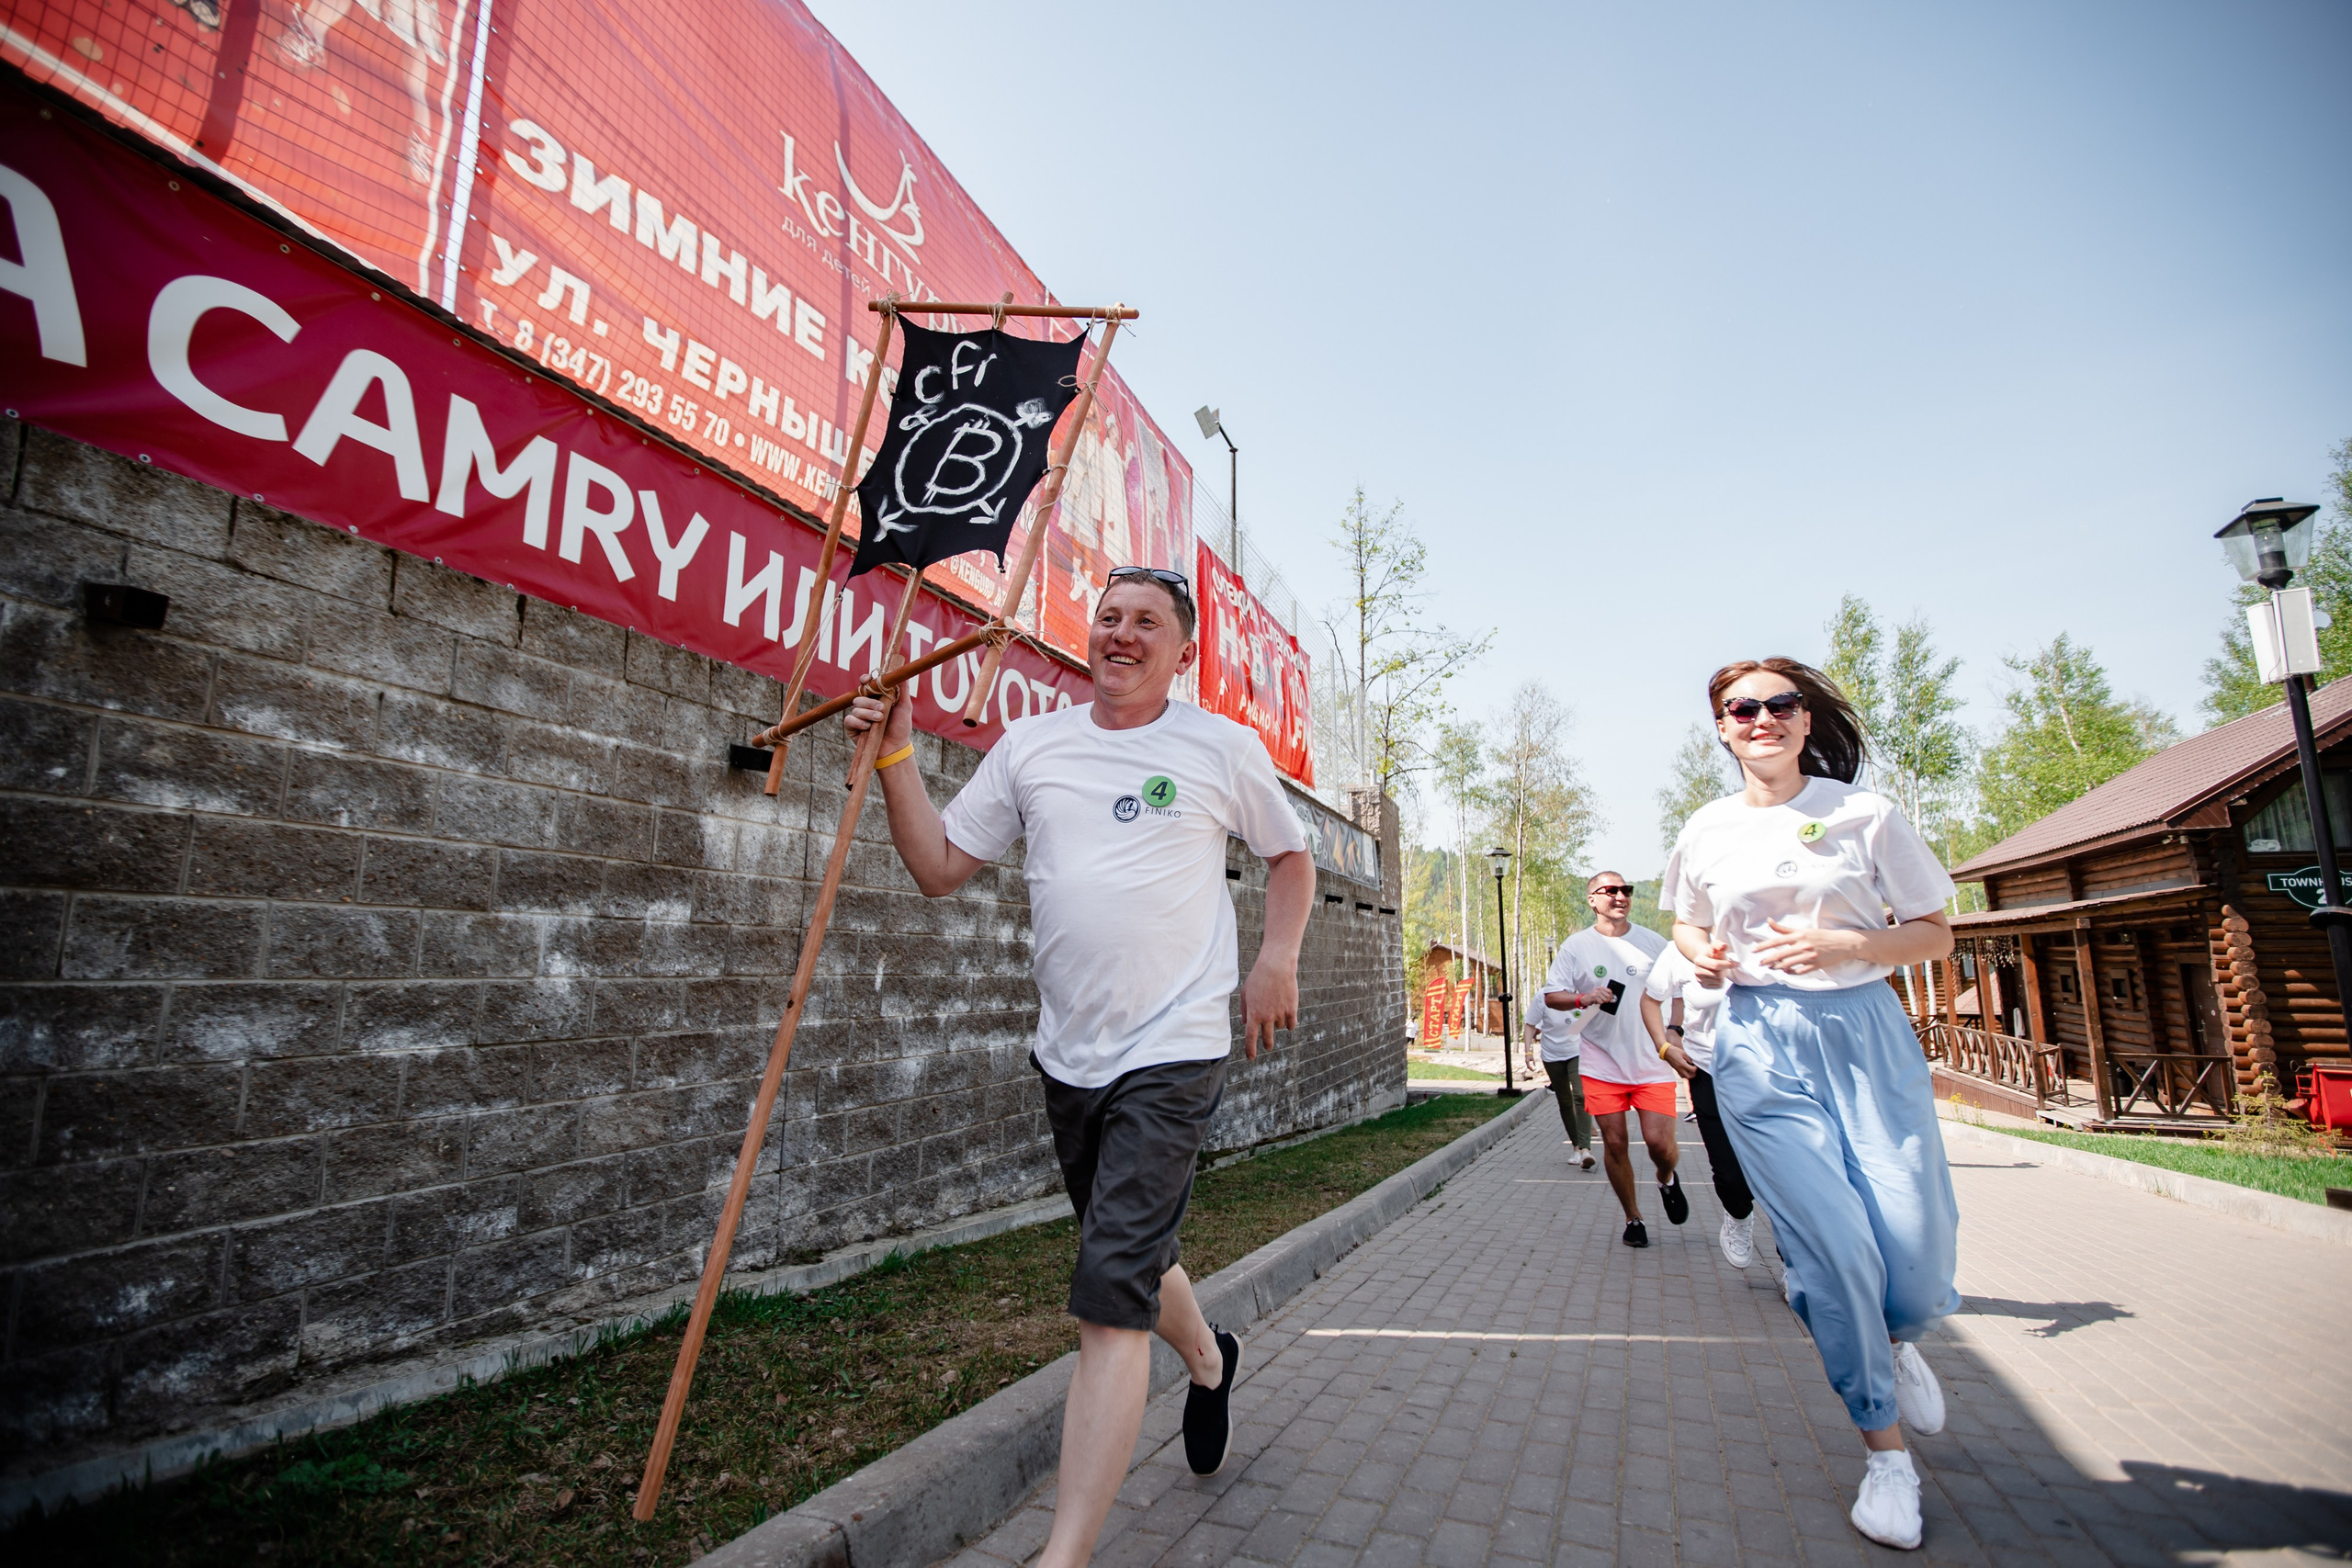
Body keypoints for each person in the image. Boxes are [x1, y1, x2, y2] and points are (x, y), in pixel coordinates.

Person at [843, 564, 1314, 1568]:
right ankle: (1208, 1358)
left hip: (1175, 1048)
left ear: (1185, 653)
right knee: (1130, 1254)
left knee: (1107, 1302)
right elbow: (936, 869)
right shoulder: (1033, 747)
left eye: (1148, 622)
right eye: (1108, 617)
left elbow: (1290, 855)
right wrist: (894, 757)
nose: (1122, 633)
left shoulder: (1218, 747)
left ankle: (1062, 1556)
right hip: (1070, 1054)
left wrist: (1275, 957)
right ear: (1085, 636)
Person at [1662, 658, 1962, 1553]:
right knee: (1829, 1249)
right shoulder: (1707, 827)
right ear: (1721, 727)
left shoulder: (1861, 814)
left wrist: (1845, 942)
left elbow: (1937, 930)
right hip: (1757, 1043)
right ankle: (1885, 1457)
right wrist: (1703, 955)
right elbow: (1682, 916)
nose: (1761, 718)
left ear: (1803, 718)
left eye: (1778, 704)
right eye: (1740, 708)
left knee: (1908, 1249)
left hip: (1865, 1033)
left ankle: (1896, 1334)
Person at [1543, 873, 1686, 1247]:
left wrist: (1675, 1030)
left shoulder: (1654, 943)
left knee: (1659, 1145)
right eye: (1611, 891)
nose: (1621, 897)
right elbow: (1552, 997)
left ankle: (1667, 1179)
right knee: (1615, 1141)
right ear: (1592, 899)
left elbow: (1682, 988)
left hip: (1651, 1061)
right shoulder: (1577, 946)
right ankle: (1633, 1218)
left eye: (1626, 891)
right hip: (1600, 1062)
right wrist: (1583, 998)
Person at [1639, 942, 1757, 1269]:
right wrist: (1666, 1046)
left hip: (1771, 1072)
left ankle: (1794, 1264)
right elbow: (1652, 1000)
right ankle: (1738, 1214)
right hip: (1708, 1069)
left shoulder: (1763, 932)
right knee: (1731, 1176)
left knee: (1788, 1176)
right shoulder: (1679, 950)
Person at [1521, 990, 1595, 1170]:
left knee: (1581, 1095)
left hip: (1577, 1052)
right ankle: (1576, 1148)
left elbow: (1593, 1021)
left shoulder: (1586, 993)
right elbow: (1530, 1024)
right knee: (1564, 1100)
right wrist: (1528, 1051)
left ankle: (1585, 1150)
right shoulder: (1544, 997)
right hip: (1552, 1055)